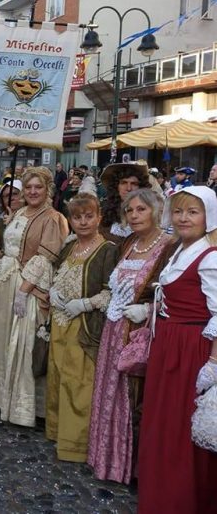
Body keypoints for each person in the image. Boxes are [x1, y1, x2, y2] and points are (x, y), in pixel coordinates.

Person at [138, 187, 217, 513]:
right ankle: (161, 497)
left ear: (208, 217)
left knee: (180, 429)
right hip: (170, 345)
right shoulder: (179, 250)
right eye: (179, 211)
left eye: (193, 212)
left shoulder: (210, 257)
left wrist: (212, 362)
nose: (184, 218)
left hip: (190, 350)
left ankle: (180, 501)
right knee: (165, 425)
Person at [87, 189, 173, 485]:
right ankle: (105, 458)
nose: (134, 216)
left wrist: (149, 308)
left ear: (156, 211)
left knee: (132, 396)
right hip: (114, 329)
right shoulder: (129, 243)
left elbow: (175, 293)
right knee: (108, 390)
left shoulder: (169, 247)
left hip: (139, 334)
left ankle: (129, 466)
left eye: (141, 210)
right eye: (130, 211)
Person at [0, 167, 69, 427]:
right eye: (28, 187)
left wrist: (25, 290)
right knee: (1, 336)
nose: (32, 192)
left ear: (47, 190)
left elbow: (46, 257)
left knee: (22, 340)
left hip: (25, 287)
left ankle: (20, 405)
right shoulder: (19, 212)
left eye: (37, 187)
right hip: (3, 284)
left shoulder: (53, 218)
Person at [46, 193, 117, 462]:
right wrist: (53, 291)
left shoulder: (108, 250)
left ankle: (76, 445)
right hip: (60, 322)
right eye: (77, 217)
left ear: (99, 217)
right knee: (58, 378)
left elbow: (112, 291)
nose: (83, 222)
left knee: (79, 384)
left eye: (89, 216)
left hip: (85, 325)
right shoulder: (69, 246)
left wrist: (85, 304)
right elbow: (57, 273)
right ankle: (57, 433)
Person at [99, 162, 150, 245]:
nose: (129, 188)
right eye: (124, 183)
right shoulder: (104, 212)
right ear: (116, 186)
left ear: (141, 187)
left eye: (134, 184)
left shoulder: (149, 213)